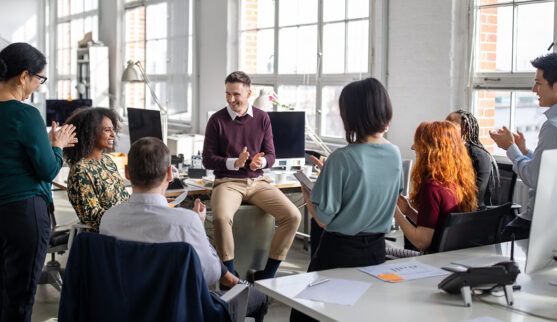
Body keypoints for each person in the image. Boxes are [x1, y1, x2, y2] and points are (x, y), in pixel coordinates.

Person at [100, 137, 268, 321]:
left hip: (128, 309)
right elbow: (210, 275)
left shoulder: (108, 219)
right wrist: (199, 228)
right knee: (260, 297)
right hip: (179, 310)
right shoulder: (186, 222)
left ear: (127, 173)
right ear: (170, 174)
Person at [290, 78, 403, 322]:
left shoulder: (341, 158)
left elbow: (322, 219)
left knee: (306, 315)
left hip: (338, 254)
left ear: (350, 115)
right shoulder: (395, 153)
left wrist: (308, 191)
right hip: (376, 252)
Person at [0, 43, 77, 322]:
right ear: (23, 76)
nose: (38, 86)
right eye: (38, 79)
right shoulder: (26, 114)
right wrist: (57, 145)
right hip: (24, 214)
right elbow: (47, 170)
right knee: (19, 298)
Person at [202, 71, 301, 281]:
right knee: (220, 218)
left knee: (293, 216)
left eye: (236, 94)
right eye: (227, 94)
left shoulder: (262, 118)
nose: (231, 99)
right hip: (228, 183)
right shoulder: (216, 120)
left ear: (249, 93)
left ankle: (267, 275)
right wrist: (234, 162)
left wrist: (261, 162)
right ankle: (230, 274)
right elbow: (207, 159)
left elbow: (272, 155)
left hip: (257, 182)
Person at [489, 53, 557, 237]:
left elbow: (534, 178)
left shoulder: (555, 126)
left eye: (539, 83)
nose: (534, 89)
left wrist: (511, 148)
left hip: (542, 223)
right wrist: (524, 151)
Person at [395, 121, 477, 252]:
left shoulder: (432, 187)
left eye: (418, 143)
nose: (412, 147)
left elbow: (422, 241)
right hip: (452, 257)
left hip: (433, 262)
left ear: (430, 150)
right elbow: (435, 227)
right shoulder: (456, 182)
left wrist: (395, 212)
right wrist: (409, 211)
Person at [64, 107, 129, 232]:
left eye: (113, 130)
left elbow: (124, 198)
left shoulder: (107, 161)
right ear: (90, 134)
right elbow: (93, 217)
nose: (113, 134)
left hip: (124, 226)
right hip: (106, 235)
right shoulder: (81, 171)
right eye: (107, 130)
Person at [447, 109, 500, 209]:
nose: (445, 128)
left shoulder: (478, 156)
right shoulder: (447, 153)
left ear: (465, 130)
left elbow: (474, 197)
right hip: (451, 210)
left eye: (450, 124)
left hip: (470, 215)